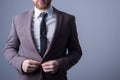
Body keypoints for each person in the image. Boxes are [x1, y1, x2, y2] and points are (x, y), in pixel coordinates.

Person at [4, 0, 82, 80]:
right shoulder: (18, 19)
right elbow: (9, 48)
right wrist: (21, 63)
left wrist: (59, 65)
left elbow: (76, 51)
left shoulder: (68, 20)